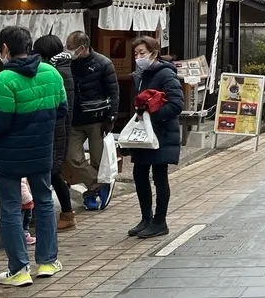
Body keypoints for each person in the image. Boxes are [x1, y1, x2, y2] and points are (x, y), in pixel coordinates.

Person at [0, 25, 67, 287]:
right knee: (45, 202)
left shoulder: (3, 80)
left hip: (8, 155)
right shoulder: (51, 73)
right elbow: (62, 109)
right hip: (41, 150)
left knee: (11, 208)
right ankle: (48, 262)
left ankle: (19, 270)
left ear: (5, 49)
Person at [126, 36, 184, 239]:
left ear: (154, 52)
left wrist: (151, 115)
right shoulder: (141, 74)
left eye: (142, 53)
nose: (138, 57)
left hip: (162, 133)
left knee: (159, 176)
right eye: (136, 54)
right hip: (144, 134)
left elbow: (177, 104)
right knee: (139, 174)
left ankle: (160, 221)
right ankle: (146, 218)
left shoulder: (166, 74)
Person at [64, 31, 119, 211]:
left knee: (97, 160)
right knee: (73, 158)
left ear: (83, 47)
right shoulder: (66, 63)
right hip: (73, 119)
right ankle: (99, 185)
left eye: (71, 48)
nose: (68, 51)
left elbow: (113, 91)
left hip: (97, 118)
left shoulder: (103, 63)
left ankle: (90, 196)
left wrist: (112, 116)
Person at [32, 34, 76, 231]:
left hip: (57, 126)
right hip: (59, 125)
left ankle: (60, 214)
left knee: (52, 172)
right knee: (53, 172)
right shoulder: (62, 67)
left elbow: (59, 103)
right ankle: (64, 213)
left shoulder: (57, 71)